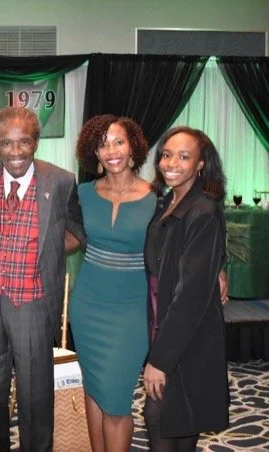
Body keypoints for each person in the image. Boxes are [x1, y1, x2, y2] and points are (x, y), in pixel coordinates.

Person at [0, 106, 86, 452]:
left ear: (36, 143)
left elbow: (77, 232)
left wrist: (47, 251)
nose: (15, 151)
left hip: (32, 305)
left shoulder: (60, 181)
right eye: (6, 143)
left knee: (35, 396)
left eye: (24, 142)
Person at [68, 115, 155, 452]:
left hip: (132, 309)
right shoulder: (83, 193)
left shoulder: (156, 196)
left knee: (116, 400)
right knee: (93, 390)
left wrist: (218, 267)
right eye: (103, 145)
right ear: (95, 153)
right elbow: (68, 239)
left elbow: (185, 240)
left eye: (119, 142)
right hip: (88, 305)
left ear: (133, 148)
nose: (112, 151)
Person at [143, 126, 230, 451]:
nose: (172, 163)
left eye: (183, 157)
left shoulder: (202, 209)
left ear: (200, 164)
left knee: (161, 416)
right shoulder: (168, 200)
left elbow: (191, 295)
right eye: (166, 155)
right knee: (178, 422)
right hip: (167, 325)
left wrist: (160, 360)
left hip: (187, 336)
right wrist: (220, 266)